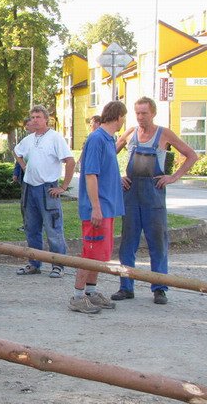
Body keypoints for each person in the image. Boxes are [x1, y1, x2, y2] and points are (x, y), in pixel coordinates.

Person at [111, 97, 198, 305]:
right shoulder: (131, 133)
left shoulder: (164, 134)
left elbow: (191, 155)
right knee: (127, 243)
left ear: (153, 113)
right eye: (138, 113)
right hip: (131, 194)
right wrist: (117, 176)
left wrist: (173, 177)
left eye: (144, 113)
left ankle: (160, 288)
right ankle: (126, 286)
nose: (141, 117)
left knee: (157, 243)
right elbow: (108, 154)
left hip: (154, 194)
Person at [69, 100, 127, 314]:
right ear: (119, 117)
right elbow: (90, 173)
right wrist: (95, 207)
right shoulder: (96, 139)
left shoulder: (109, 139)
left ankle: (91, 292)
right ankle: (77, 296)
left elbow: (104, 171)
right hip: (98, 207)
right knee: (90, 252)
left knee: (101, 254)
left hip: (108, 206)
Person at [14, 105, 75, 278]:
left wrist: (63, 187)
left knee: (53, 228)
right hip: (29, 189)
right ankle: (34, 263)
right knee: (31, 228)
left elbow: (70, 161)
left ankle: (59, 265)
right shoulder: (29, 139)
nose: (35, 120)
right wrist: (24, 166)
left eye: (38, 117)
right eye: (32, 117)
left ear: (46, 119)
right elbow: (17, 152)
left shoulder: (55, 138)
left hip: (48, 189)